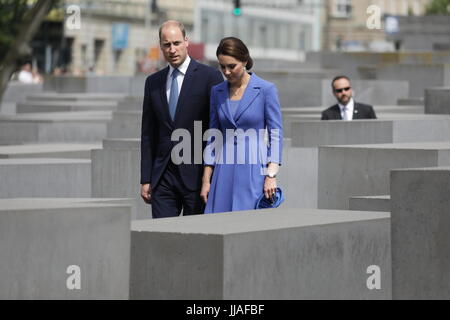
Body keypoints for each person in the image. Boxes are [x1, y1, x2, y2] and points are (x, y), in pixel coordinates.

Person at [140, 20, 223, 218]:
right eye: (167, 45)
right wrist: (145, 178)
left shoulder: (210, 77)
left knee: (195, 239)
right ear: (161, 46)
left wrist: (211, 177)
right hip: (163, 178)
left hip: (197, 177)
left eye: (176, 43)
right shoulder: (153, 82)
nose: (172, 49)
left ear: (186, 41)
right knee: (162, 238)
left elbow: (217, 130)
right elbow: (148, 133)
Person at [200, 37, 283, 214]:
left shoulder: (266, 89)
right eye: (222, 66)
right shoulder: (217, 92)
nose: (227, 72)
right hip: (223, 170)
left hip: (254, 169)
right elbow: (213, 138)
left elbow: (275, 134)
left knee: (249, 223)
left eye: (232, 66)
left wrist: (271, 175)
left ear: (244, 61)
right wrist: (206, 181)